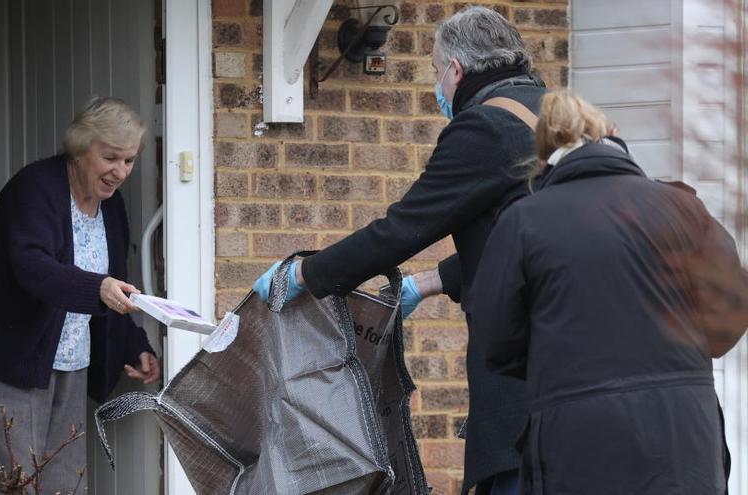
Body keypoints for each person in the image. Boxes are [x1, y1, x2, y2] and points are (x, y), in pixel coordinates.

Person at [253, 7, 545, 495]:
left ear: (456, 70)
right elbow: (518, 241)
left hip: (526, 376)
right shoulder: (557, 112)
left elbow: (402, 228)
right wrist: (427, 285)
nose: (438, 88)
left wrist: (306, 275)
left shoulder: (485, 127)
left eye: (435, 72)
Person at [470, 90, 748, 494]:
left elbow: (495, 339)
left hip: (578, 436)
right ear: (613, 136)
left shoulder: (524, 221)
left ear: (544, 156)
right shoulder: (684, 209)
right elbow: (732, 311)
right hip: (683, 431)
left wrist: (553, 364)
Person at [0, 97, 161, 494]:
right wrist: (96, 287)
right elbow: (33, 266)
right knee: (10, 481)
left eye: (129, 161)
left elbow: (115, 279)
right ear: (80, 149)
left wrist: (134, 344)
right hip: (12, 353)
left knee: (64, 482)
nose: (120, 172)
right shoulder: (35, 187)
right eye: (111, 158)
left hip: (72, 358)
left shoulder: (111, 205)